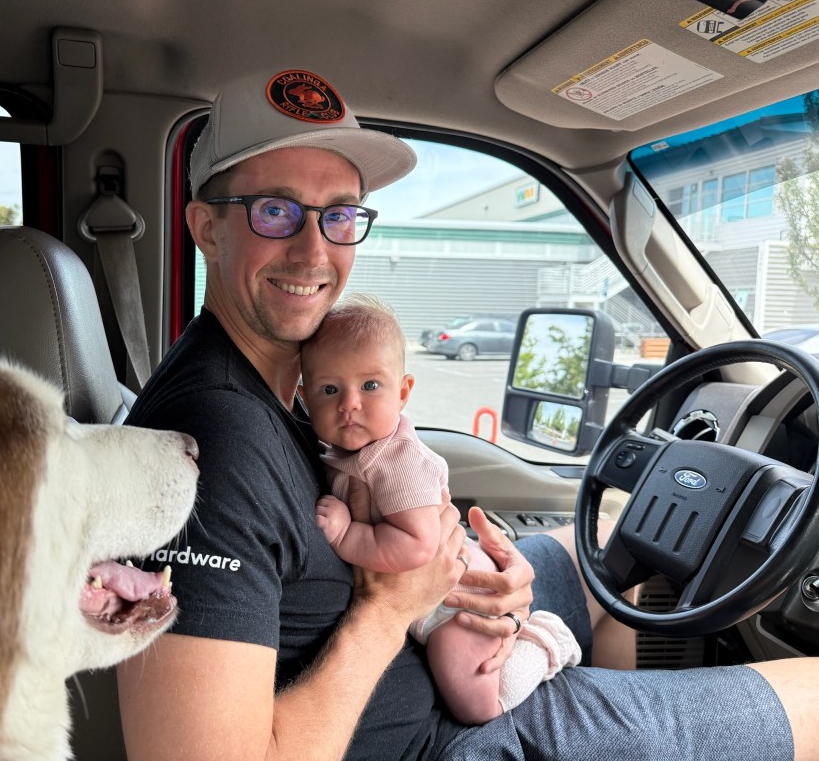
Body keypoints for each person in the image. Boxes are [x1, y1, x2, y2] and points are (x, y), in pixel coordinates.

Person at [120, 67, 817, 760]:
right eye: (275, 211)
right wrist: (390, 608)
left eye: (339, 215)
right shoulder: (213, 444)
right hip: (442, 739)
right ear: (206, 228)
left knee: (609, 541)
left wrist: (472, 565)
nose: (314, 251)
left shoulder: (294, 381)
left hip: (433, 643)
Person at [299, 291, 580, 724]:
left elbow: (416, 546)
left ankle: (546, 646)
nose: (349, 403)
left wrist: (345, 534)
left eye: (370, 386)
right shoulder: (345, 452)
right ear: (305, 398)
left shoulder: (397, 462)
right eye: (330, 389)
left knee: (477, 706)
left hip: (456, 603)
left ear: (403, 392)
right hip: (426, 599)